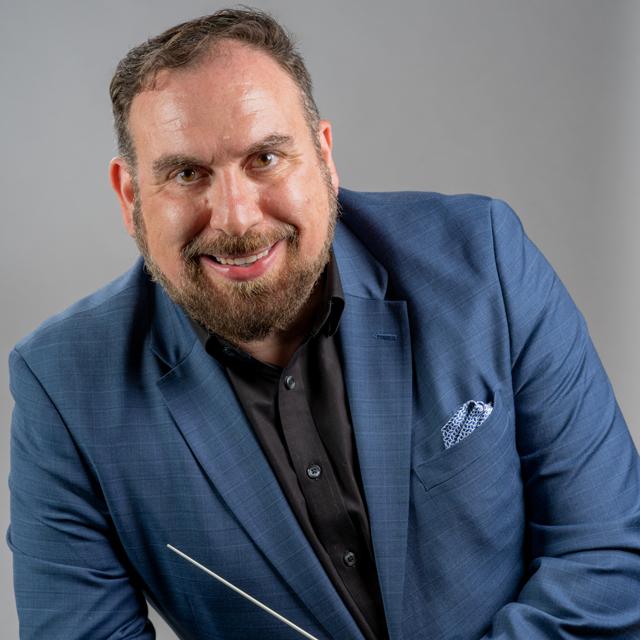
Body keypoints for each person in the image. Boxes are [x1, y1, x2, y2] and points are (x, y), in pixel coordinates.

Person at [7, 8, 640, 640]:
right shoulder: (64, 386)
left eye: (265, 158)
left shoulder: (484, 262)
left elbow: (610, 560)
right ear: (130, 196)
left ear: (325, 158)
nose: (235, 218)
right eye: (185, 173)